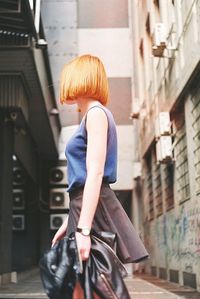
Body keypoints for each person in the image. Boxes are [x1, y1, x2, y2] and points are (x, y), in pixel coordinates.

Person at [51, 54, 148, 299]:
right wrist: (69, 222)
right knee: (83, 285)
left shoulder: (95, 114)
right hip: (82, 207)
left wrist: (83, 230)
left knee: (95, 285)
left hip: (90, 208)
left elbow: (94, 173)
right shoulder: (93, 115)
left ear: (81, 79)